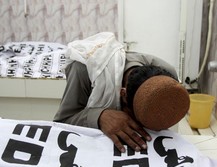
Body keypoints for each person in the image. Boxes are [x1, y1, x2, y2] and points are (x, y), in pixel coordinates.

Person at [54, 51, 183, 153]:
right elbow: (61, 122)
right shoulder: (82, 69)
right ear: (123, 95)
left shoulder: (170, 79)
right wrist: (99, 117)